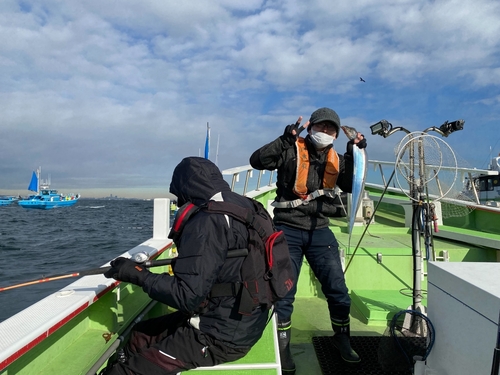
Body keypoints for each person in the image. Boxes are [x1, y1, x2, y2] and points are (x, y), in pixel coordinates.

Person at [102, 157, 269, 375]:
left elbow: (187, 296)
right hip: (245, 318)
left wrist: (136, 274)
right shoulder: (247, 206)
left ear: (186, 188)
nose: (179, 202)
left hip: (219, 335)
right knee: (141, 334)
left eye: (178, 196)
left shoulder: (208, 219)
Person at [249, 107, 367, 374]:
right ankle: (283, 347)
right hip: (287, 229)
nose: (325, 133)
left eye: (330, 129)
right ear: (310, 126)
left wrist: (355, 152)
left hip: (319, 229)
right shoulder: (291, 149)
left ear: (336, 135)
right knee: (284, 292)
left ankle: (342, 339)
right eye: (321, 127)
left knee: (338, 289)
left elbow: (349, 184)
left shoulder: (339, 157)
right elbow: (257, 161)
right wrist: (283, 140)